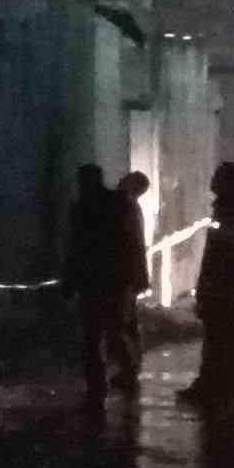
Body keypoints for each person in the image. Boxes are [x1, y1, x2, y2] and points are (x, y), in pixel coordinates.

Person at [179, 162, 234, 407]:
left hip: (230, 286)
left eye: (217, 178)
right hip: (219, 285)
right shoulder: (224, 208)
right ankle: (213, 383)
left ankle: (224, 386)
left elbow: (231, 253)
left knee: (226, 338)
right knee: (215, 338)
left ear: (229, 182)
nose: (213, 182)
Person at [65, 164, 131, 412]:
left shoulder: (83, 208)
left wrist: (70, 280)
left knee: (94, 335)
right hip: (111, 280)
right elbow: (128, 242)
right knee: (110, 331)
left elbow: (76, 247)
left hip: (95, 281)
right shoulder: (115, 204)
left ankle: (98, 385)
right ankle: (122, 373)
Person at [107, 171, 154, 399]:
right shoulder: (131, 208)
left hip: (121, 276)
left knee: (118, 324)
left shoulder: (125, 207)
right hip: (128, 276)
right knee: (127, 323)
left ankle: (128, 369)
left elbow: (128, 245)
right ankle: (130, 367)